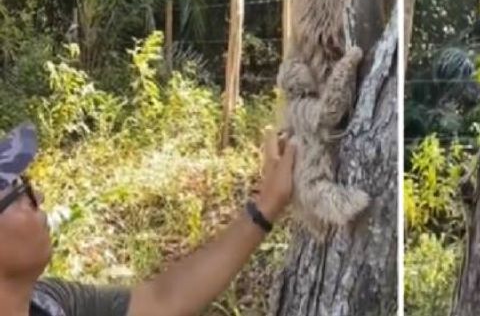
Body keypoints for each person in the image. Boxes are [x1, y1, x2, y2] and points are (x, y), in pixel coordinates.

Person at [0, 122, 297, 316]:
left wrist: (265, 206)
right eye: (20, 190)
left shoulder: (49, 303)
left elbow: (161, 300)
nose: (38, 197)